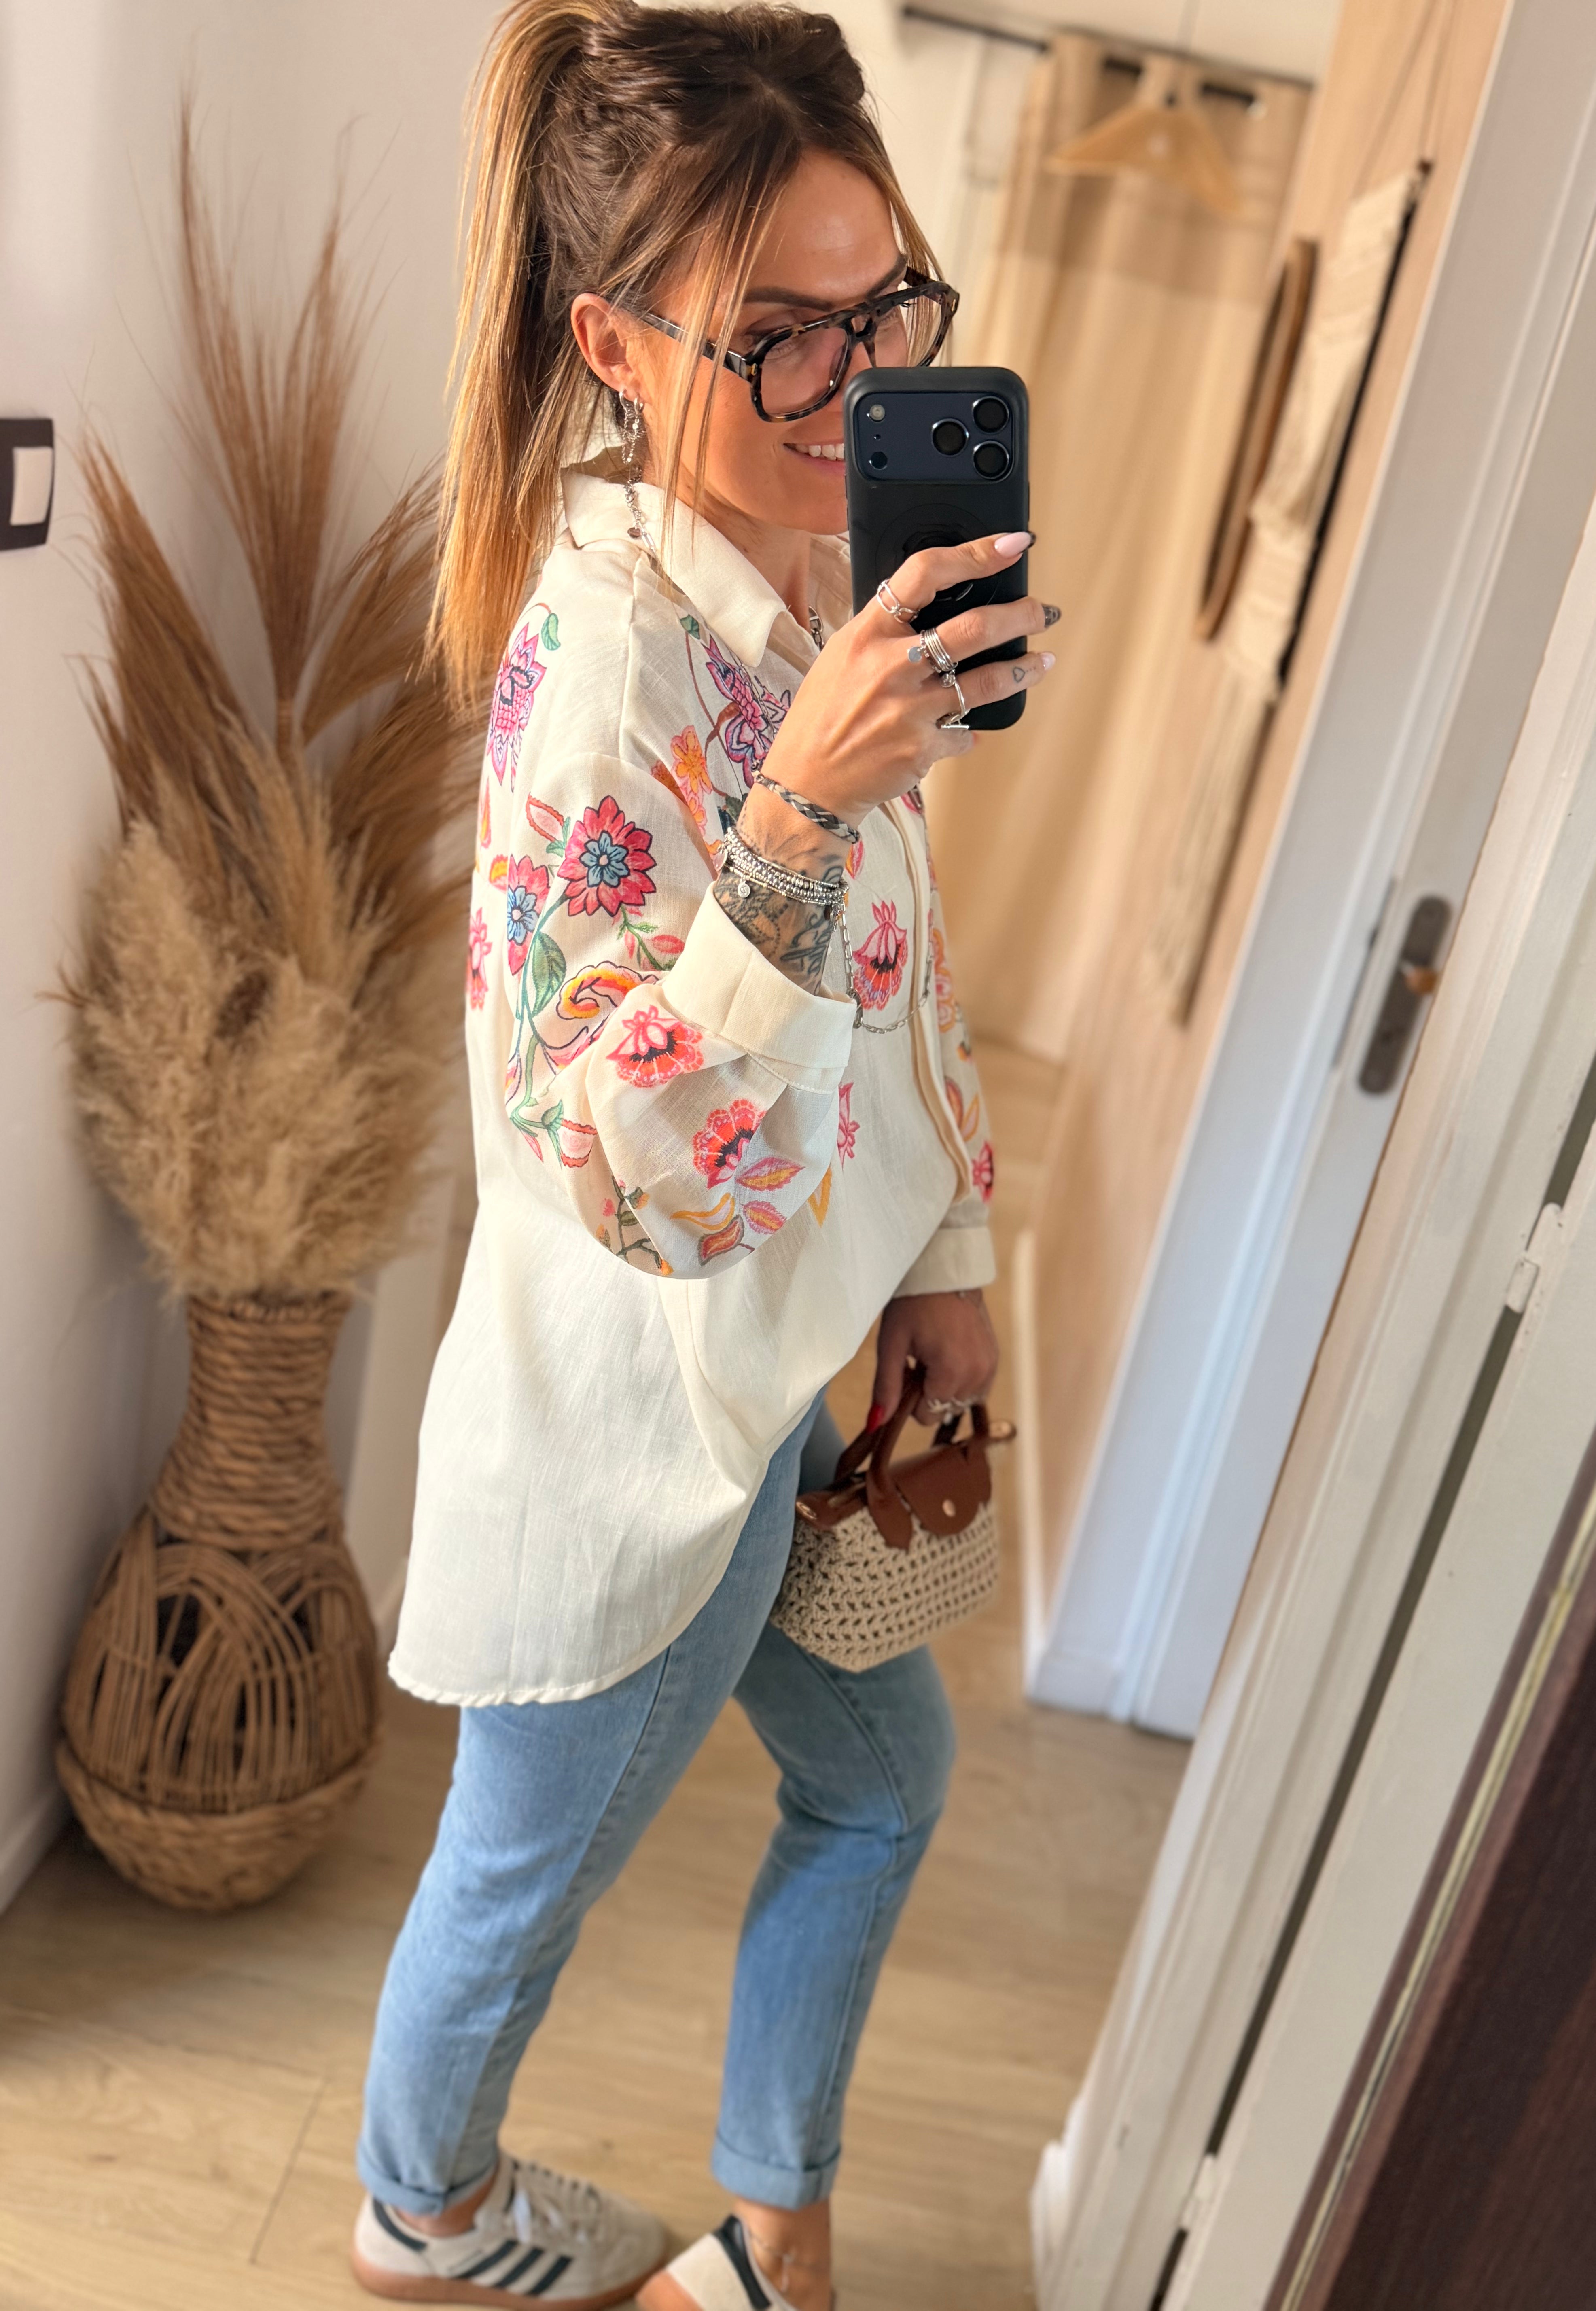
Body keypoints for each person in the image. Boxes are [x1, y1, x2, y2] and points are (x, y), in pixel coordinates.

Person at [349, 3, 1058, 2305]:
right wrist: (798, 812)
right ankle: (422, 2218)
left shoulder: (813, 586)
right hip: (646, 1432)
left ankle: (777, 2232)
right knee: (517, 1880)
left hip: (781, 1379)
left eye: (885, 310)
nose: (853, 387)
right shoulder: (609, 677)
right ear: (613, 347)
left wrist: (946, 1247)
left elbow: (903, 955)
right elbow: (637, 1179)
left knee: (886, 1780)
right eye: (778, 339)